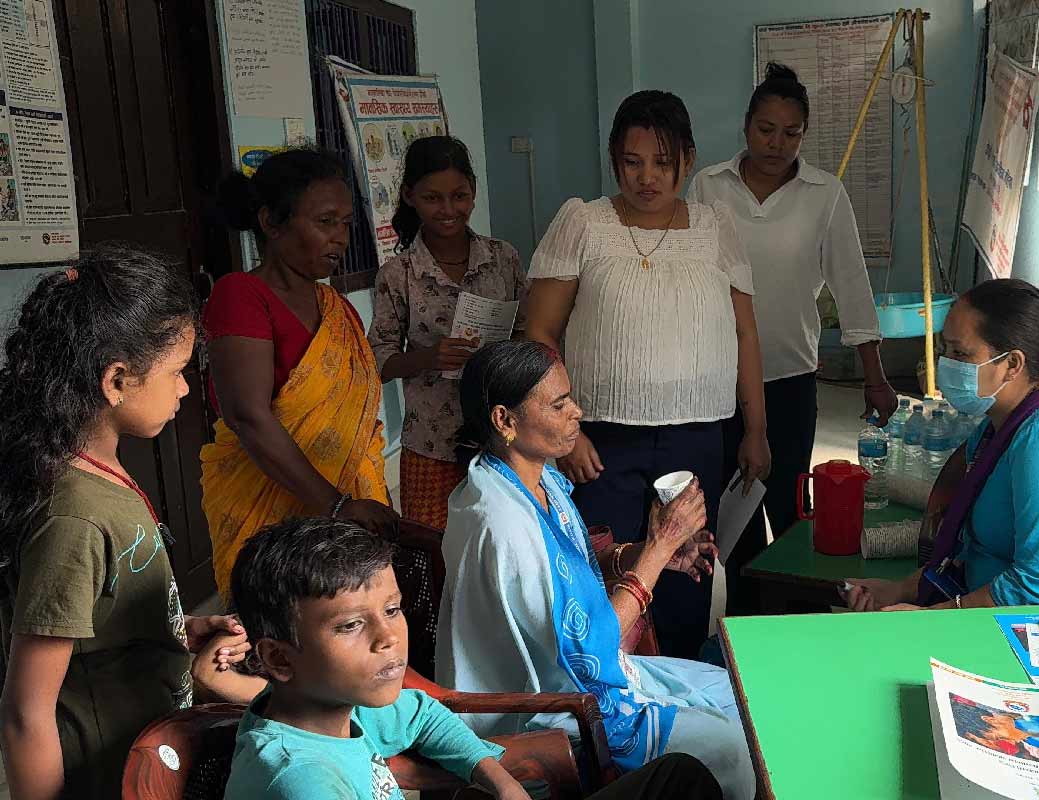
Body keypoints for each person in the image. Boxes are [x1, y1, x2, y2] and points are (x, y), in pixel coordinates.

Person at [437, 341, 755, 800]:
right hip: (554, 708)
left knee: (736, 692)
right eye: (560, 403)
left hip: (595, 676)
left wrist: (649, 552)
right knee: (732, 746)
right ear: (505, 420)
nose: (578, 412)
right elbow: (590, 652)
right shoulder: (499, 524)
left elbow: (579, 565)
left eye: (572, 398)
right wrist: (660, 546)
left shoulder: (540, 478)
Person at [227, 516, 726, 800]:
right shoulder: (301, 781)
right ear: (279, 659)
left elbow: (423, 715)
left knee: (678, 776)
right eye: (352, 625)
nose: (389, 639)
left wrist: (498, 781)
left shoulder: (335, 707)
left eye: (392, 610)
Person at [0, 248, 255, 800]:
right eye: (177, 373)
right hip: (105, 774)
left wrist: (180, 629)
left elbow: (97, 625)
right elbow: (27, 712)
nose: (186, 390)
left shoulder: (104, 468)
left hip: (152, 746)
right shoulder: (73, 518)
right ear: (116, 380)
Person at [524, 90, 770, 658]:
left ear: (687, 159)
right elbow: (538, 332)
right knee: (605, 566)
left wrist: (754, 429)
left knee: (685, 571)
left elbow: (744, 333)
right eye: (633, 162)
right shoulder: (584, 223)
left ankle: (681, 692)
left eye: (662, 162)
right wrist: (567, 430)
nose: (648, 178)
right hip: (602, 443)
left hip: (697, 437)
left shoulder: (714, 227)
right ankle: (607, 699)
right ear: (615, 160)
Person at [688, 62, 896, 614]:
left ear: (803, 135)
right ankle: (746, 621)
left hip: (789, 376)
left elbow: (853, 286)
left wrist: (875, 377)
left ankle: (791, 619)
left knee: (785, 505)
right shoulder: (709, 186)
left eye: (790, 132)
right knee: (729, 509)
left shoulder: (823, 193)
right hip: (717, 378)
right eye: (765, 129)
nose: (776, 143)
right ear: (745, 126)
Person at [844, 279, 1039, 612]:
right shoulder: (997, 428)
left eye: (960, 353)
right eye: (946, 349)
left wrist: (932, 618)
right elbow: (971, 551)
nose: (946, 363)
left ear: (1012, 365)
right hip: (1004, 619)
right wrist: (901, 591)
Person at [202, 148, 399, 597]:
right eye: (325, 222)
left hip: (347, 513)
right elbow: (247, 416)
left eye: (346, 223)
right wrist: (336, 505)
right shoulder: (241, 296)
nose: (341, 238)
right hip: (273, 512)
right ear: (271, 223)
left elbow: (362, 416)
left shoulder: (337, 308)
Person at [369, 136, 527, 530]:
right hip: (431, 443)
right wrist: (428, 357)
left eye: (459, 196)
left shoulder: (502, 258)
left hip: (501, 434)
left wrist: (508, 356)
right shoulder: (398, 274)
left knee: (503, 543)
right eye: (432, 198)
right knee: (435, 553)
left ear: (473, 192)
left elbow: (528, 332)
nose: (448, 209)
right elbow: (378, 358)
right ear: (410, 196)